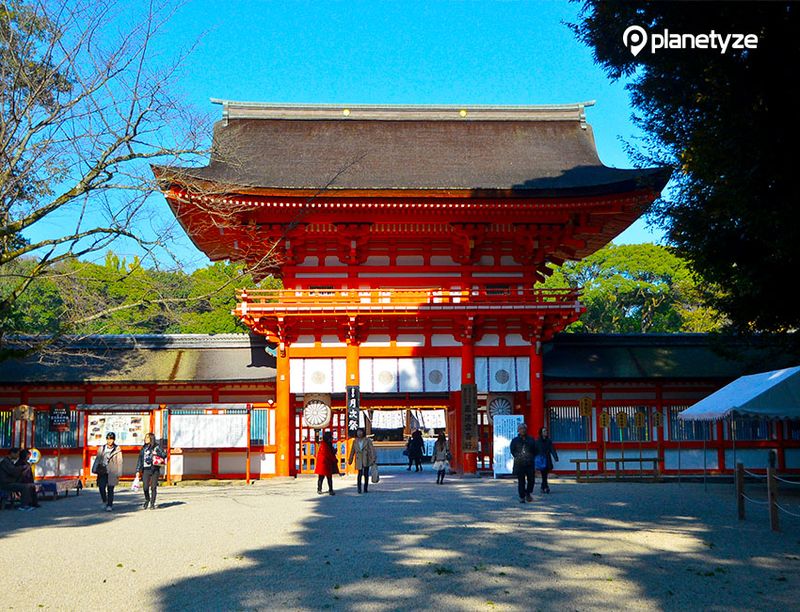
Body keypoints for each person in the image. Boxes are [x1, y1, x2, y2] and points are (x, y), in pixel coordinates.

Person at [135, 433, 167, 510]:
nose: (145, 439)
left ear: (151, 439)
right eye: (145, 437)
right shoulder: (143, 448)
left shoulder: (157, 447)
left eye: (147, 438)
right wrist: (138, 470)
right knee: (145, 487)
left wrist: (157, 453)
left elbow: (164, 454)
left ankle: (152, 503)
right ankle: (147, 499)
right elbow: (140, 460)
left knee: (153, 487)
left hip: (154, 469)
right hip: (145, 469)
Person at [93, 432, 123, 511]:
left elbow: (119, 461)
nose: (110, 441)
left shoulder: (117, 449)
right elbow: (97, 459)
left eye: (111, 439)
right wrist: (94, 468)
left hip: (112, 471)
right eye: (108, 439)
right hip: (102, 470)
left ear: (114, 440)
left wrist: (119, 472)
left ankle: (110, 505)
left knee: (110, 488)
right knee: (101, 487)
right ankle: (104, 500)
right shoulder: (102, 448)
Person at [509, 422, 538, 503]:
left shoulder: (531, 439)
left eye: (524, 429)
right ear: (518, 430)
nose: (523, 430)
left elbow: (535, 449)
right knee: (521, 481)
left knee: (531, 480)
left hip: (529, 462)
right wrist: (518, 456)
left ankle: (528, 493)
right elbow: (512, 450)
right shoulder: (515, 440)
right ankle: (522, 496)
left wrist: (531, 457)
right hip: (519, 463)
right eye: (521, 429)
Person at [347, 428, 376, 494]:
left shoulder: (367, 440)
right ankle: (359, 488)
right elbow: (352, 451)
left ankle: (365, 488)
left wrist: (373, 458)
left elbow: (372, 449)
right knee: (359, 474)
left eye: (360, 432)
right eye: (358, 432)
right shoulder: (355, 441)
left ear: (363, 432)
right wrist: (350, 459)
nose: (359, 433)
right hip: (359, 459)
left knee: (366, 474)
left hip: (366, 458)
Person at [314, 431, 339, 495]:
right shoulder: (324, 445)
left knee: (323, 478)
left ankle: (322, 489)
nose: (332, 438)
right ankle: (325, 489)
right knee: (325, 478)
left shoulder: (326, 444)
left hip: (325, 463)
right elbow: (328, 454)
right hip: (324, 464)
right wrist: (334, 459)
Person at [536, 426, 559, 494]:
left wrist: (555, 457)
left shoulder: (549, 441)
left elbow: (552, 449)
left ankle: (543, 486)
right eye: (544, 431)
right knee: (544, 474)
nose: (545, 432)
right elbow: (535, 450)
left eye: (546, 431)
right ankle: (545, 487)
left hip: (547, 458)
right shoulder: (538, 441)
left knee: (545, 474)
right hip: (541, 459)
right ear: (541, 433)